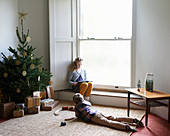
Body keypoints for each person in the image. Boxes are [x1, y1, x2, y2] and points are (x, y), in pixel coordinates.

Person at [71, 93, 144, 132]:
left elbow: (77, 116)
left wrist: (75, 110)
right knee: (114, 117)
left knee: (108, 122)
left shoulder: (77, 107)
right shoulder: (86, 103)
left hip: (93, 116)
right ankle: (133, 120)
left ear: (75, 102)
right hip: (97, 112)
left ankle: (126, 127)